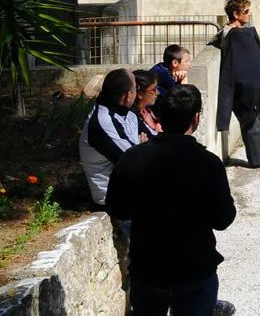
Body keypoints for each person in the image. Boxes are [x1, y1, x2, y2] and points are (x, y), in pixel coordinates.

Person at [107, 86, 236, 316]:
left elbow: (118, 208)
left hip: (148, 269)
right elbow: (224, 218)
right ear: (196, 119)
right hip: (193, 270)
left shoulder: (132, 158)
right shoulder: (208, 164)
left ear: (160, 118)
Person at [215, 0, 260, 171]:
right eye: (246, 12)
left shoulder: (241, 32)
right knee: (251, 120)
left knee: (254, 119)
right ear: (235, 14)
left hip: (250, 85)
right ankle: (258, 159)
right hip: (242, 86)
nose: (249, 15)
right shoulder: (231, 34)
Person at [79, 68, 140, 207]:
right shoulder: (102, 122)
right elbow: (134, 162)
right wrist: (144, 148)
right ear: (128, 96)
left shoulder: (126, 112)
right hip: (116, 199)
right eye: (136, 88)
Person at [132, 69, 161, 141]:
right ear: (140, 94)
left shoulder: (148, 110)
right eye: (153, 90)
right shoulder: (134, 119)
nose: (157, 93)